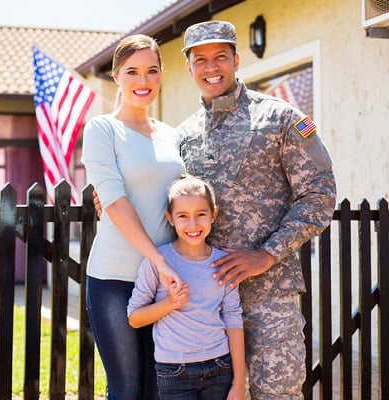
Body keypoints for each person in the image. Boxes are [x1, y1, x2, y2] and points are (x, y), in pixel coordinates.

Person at [177, 21, 337, 400]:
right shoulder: (183, 135)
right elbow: (173, 204)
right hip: (207, 300)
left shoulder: (280, 119)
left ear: (236, 60)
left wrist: (267, 254)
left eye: (220, 57)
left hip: (270, 298)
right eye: (200, 59)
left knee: (278, 395)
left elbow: (320, 194)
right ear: (189, 68)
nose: (211, 67)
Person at [81, 34, 187, 400]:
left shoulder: (172, 136)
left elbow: (180, 199)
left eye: (151, 71)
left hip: (164, 282)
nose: (143, 81)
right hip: (114, 279)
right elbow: (113, 200)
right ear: (116, 76)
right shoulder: (102, 130)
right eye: (133, 72)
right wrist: (158, 259)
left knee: (161, 389)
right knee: (126, 390)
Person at [128, 174, 246, 400]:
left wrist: (239, 383)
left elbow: (233, 319)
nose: (193, 224)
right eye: (183, 216)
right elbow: (134, 318)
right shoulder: (159, 263)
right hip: (174, 371)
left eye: (201, 214)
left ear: (214, 214)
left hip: (220, 367)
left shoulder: (223, 263)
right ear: (170, 218)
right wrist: (170, 304)